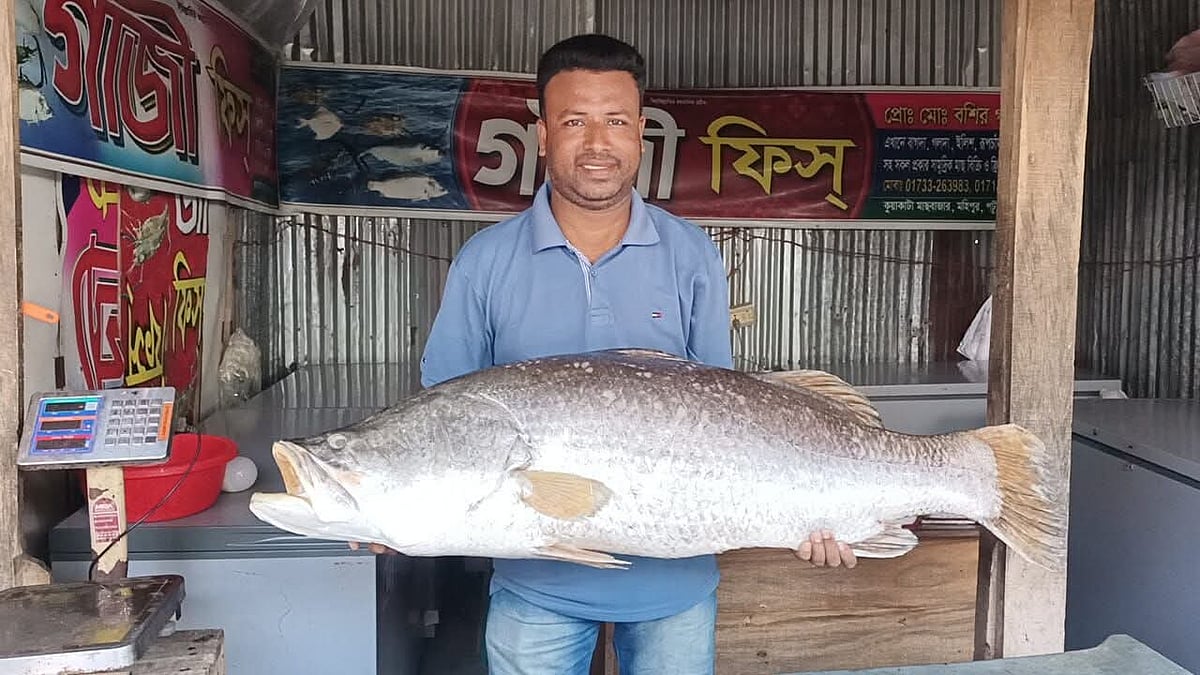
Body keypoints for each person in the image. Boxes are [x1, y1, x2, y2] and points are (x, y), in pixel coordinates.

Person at [378, 33, 855, 674]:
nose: (597, 144)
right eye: (575, 121)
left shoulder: (691, 256)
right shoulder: (484, 263)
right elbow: (445, 427)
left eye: (617, 122)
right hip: (534, 586)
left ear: (641, 133)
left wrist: (819, 511)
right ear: (543, 134)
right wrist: (391, 504)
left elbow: (731, 417)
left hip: (675, 587)